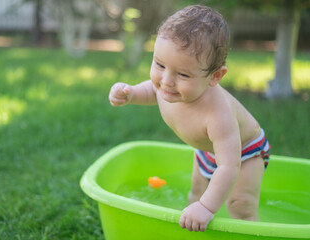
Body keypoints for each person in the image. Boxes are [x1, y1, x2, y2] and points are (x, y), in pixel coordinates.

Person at [108, 5, 270, 232]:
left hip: (244, 153)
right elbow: (151, 91)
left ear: (215, 76)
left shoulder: (218, 113)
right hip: (208, 149)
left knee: (240, 204)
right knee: (196, 193)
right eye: (159, 64)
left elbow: (229, 166)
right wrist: (131, 93)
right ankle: (191, 229)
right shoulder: (168, 88)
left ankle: (249, 234)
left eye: (183, 74)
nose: (166, 80)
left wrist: (207, 207)